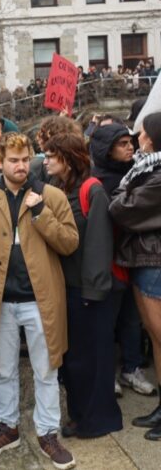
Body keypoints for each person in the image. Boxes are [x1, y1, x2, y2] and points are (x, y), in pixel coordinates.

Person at [0, 132, 79, 469]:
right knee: (3, 369)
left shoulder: (51, 195)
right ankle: (8, 427)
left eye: (26, 159)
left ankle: (47, 433)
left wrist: (41, 212)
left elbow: (70, 242)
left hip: (41, 301)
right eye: (14, 160)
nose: (21, 166)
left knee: (46, 369)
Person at [43, 133, 122, 439]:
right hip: (68, 288)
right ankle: (80, 415)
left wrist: (93, 291)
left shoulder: (93, 189)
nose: (46, 161)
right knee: (75, 360)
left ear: (68, 158)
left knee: (95, 361)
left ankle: (98, 421)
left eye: (51, 155)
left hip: (89, 291)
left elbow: (99, 245)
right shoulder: (60, 189)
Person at [90, 124, 155, 396]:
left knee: (131, 318)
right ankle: (108, 373)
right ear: (107, 149)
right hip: (109, 261)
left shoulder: (139, 172)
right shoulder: (96, 180)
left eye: (131, 142)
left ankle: (132, 367)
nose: (130, 147)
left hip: (133, 258)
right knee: (107, 321)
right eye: (122, 143)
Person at [109, 112, 161, 441]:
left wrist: (120, 191)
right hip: (146, 259)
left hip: (154, 261)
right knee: (155, 339)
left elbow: (122, 208)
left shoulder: (156, 174)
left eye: (140, 133)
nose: (136, 138)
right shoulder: (146, 169)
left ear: (152, 137)